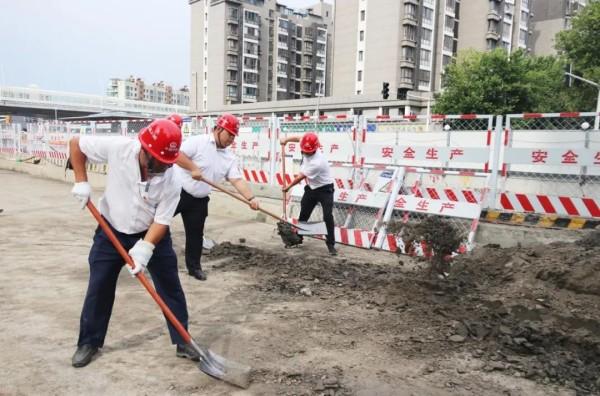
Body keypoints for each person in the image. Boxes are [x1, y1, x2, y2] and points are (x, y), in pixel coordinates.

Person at [68, 117, 199, 368]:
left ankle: (183, 340)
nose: (164, 167)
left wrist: (145, 248)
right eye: (159, 161)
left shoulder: (173, 179)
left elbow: (162, 221)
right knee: (99, 285)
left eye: (168, 162)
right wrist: (81, 181)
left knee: (169, 285)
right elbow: (76, 144)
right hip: (111, 229)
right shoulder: (120, 148)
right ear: (145, 150)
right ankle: (89, 342)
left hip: (150, 231)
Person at [174, 113, 259, 281]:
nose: (231, 139)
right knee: (157, 224)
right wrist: (192, 168)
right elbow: (177, 155)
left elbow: (236, 179)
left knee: (195, 235)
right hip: (177, 192)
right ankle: (138, 254)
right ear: (219, 129)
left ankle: (194, 268)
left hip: (199, 200)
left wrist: (251, 198)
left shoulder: (229, 157)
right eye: (229, 134)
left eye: (234, 136)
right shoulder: (199, 142)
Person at [280, 132, 337, 256]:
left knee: (327, 216)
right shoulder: (307, 144)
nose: (305, 153)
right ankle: (298, 238)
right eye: (304, 150)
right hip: (311, 188)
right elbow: (298, 138)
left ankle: (331, 243)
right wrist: (286, 139)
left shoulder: (317, 162)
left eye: (308, 151)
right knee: (304, 213)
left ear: (315, 149)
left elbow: (300, 177)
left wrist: (288, 187)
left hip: (325, 189)